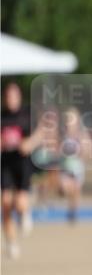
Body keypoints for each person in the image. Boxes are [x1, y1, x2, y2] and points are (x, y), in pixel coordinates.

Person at [1, 82, 41, 258]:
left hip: (23, 163)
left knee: (20, 202)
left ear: (19, 97)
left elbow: (41, 133)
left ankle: (25, 214)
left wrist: (30, 143)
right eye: (7, 96)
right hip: (5, 163)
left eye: (13, 96)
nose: (10, 99)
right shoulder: (2, 116)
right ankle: (11, 243)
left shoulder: (28, 113)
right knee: (5, 203)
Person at [56, 107, 92, 223]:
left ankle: (72, 212)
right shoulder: (62, 134)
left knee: (76, 191)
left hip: (77, 168)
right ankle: (64, 192)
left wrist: (83, 151)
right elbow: (56, 150)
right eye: (67, 119)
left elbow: (88, 151)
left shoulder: (82, 134)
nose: (69, 121)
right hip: (65, 167)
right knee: (65, 188)